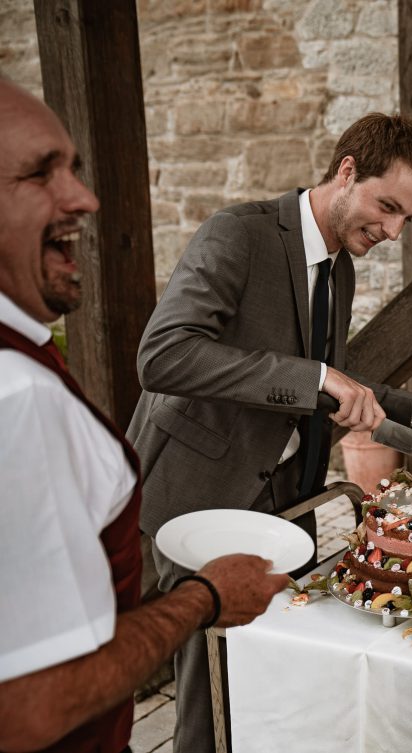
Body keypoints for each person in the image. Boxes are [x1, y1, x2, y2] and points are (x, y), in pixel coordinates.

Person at [126, 112, 412, 752]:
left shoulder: (338, 264)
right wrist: (313, 376)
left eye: (407, 220)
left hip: (289, 500)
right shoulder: (237, 235)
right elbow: (163, 355)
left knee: (279, 680)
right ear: (346, 172)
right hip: (204, 496)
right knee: (214, 693)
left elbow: (326, 375)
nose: (394, 231)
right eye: (388, 206)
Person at [0, 80, 289, 753]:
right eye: (41, 173)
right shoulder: (19, 396)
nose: (84, 198)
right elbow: (31, 703)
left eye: (73, 167)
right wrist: (205, 597)